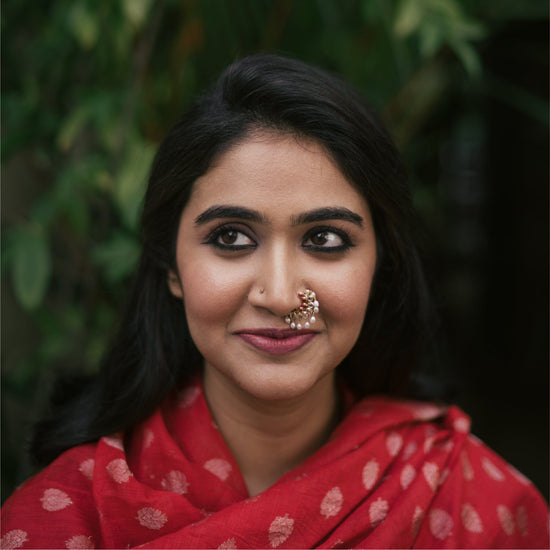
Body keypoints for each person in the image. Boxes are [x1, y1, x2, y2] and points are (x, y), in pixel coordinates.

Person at [1, 54, 548, 550]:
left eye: (325, 239)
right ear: (171, 266)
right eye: (231, 237)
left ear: (380, 264)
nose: (282, 296)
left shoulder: (481, 510)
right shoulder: (62, 520)